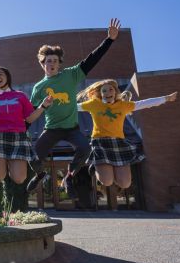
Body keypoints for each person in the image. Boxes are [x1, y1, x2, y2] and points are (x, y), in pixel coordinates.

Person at [27, 18, 121, 200]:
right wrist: (39, 108)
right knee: (33, 155)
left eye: (55, 61)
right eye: (48, 61)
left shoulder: (70, 75)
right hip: (52, 129)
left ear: (59, 63)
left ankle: (69, 177)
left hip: (72, 129)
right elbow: (31, 114)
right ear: (42, 64)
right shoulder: (38, 87)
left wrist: (109, 40)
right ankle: (40, 175)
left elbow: (92, 60)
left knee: (85, 149)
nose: (51, 64)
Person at [0, 67, 53, 218]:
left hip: (18, 137)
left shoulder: (20, 96)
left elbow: (29, 118)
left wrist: (43, 106)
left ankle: (25, 169)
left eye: (0, 74)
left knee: (19, 178)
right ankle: (2, 164)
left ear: (7, 77)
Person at [77, 79, 177, 188]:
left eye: (110, 90)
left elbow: (144, 103)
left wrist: (166, 98)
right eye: (104, 91)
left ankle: (104, 169)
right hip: (100, 143)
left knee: (125, 184)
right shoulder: (94, 104)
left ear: (115, 92)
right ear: (100, 94)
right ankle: (96, 166)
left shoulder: (123, 105)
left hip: (119, 142)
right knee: (107, 182)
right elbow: (73, 107)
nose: (108, 93)